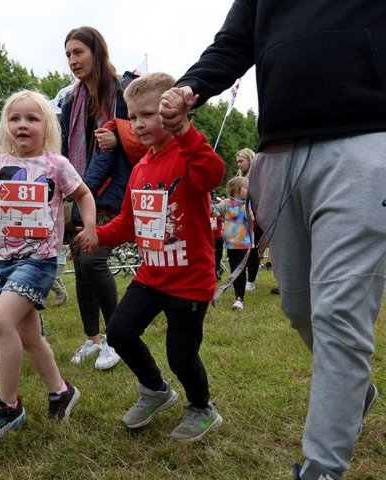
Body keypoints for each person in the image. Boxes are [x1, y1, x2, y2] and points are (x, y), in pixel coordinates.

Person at [159, 3, 385, 478]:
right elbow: (235, 42)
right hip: (278, 155)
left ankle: (321, 468)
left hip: (364, 141)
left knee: (338, 313)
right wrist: (192, 86)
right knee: (299, 307)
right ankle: (354, 391)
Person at [76, 72, 224, 442]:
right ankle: (156, 390)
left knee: (181, 354)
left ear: (171, 112)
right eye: (133, 116)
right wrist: (98, 236)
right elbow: (129, 221)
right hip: (151, 276)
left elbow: (213, 174)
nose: (138, 124)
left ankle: (202, 408)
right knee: (121, 333)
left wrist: (186, 132)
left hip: (189, 283)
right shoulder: (140, 168)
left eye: (148, 114)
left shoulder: (188, 152)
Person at [0, 89, 96, 443]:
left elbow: (83, 194)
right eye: (15, 118)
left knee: (1, 322)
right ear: (6, 125)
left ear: (46, 126)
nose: (22, 125)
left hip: (41, 260)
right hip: (7, 263)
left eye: (32, 118)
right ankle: (61, 391)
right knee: (29, 335)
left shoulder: (56, 165)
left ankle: (7, 405)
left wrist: (90, 226)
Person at [60, 26, 129, 370]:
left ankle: (118, 339)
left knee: (92, 260)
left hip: (111, 192)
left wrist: (122, 141)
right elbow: (62, 150)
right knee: (82, 268)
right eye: (68, 54)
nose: (73, 60)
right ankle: (93, 339)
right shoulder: (71, 101)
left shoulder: (122, 91)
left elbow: (145, 135)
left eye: (78, 52)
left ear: (96, 51)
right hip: (78, 190)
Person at [213, 176, 254, 310]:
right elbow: (213, 212)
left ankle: (239, 299)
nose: (249, 190)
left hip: (244, 244)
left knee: (240, 272)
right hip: (231, 244)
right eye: (246, 188)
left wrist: (251, 207)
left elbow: (253, 218)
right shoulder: (225, 203)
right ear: (236, 189)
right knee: (234, 271)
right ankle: (238, 296)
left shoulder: (247, 204)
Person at [235, 148, 261, 292]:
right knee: (245, 247)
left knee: (254, 248)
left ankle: (251, 281)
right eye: (237, 162)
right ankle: (250, 275)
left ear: (249, 160)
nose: (238, 164)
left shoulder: (257, 176)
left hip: (257, 216)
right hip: (243, 216)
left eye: (241, 161)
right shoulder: (240, 177)